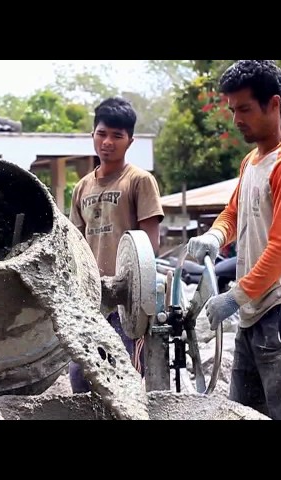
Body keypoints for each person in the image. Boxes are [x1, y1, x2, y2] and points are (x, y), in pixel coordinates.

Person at [187, 60, 281, 420]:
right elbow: (233, 212)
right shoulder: (252, 162)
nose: (237, 119)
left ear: (274, 104)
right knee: (241, 412)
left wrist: (235, 297)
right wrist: (215, 235)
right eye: (232, 110)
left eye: (245, 109)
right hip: (254, 314)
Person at [69, 97, 164, 392]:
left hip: (128, 306)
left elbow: (150, 244)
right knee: (80, 379)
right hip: (91, 302)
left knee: (121, 383)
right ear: (93, 136)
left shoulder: (139, 181)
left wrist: (136, 291)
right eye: (102, 134)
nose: (107, 142)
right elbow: (75, 244)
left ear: (130, 141)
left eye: (116, 136)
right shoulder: (82, 187)